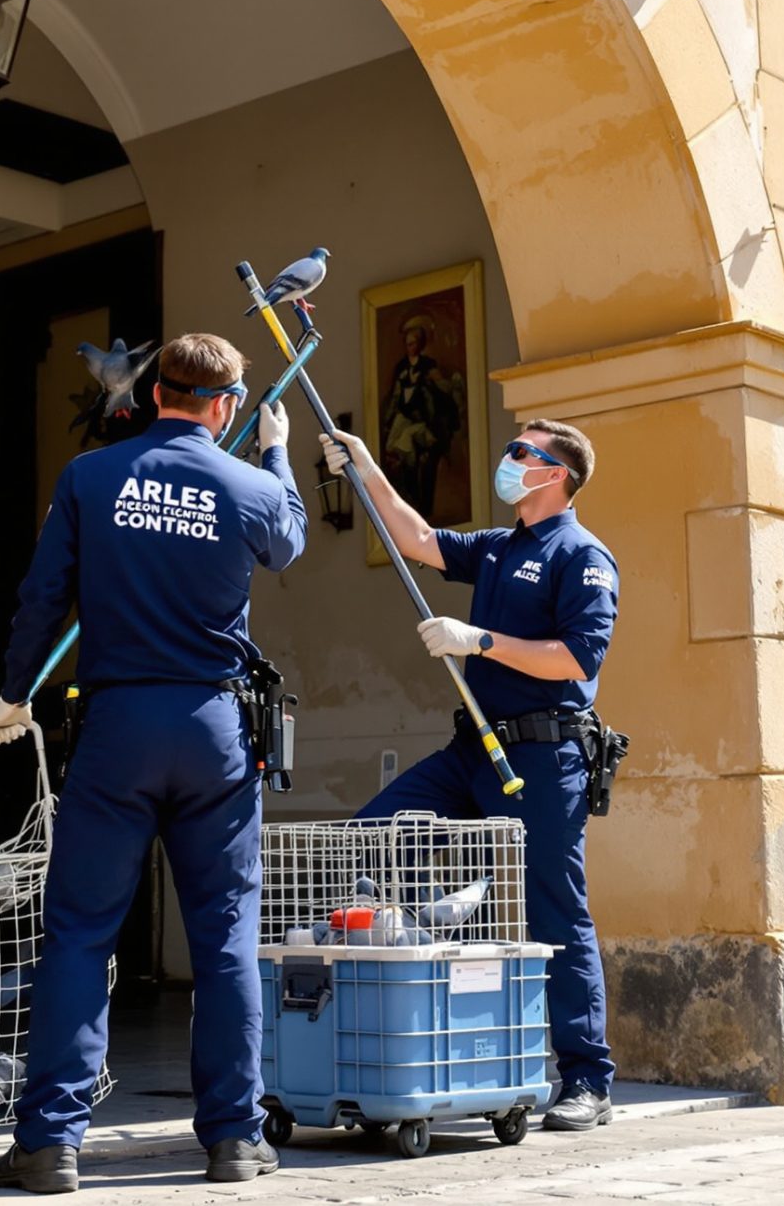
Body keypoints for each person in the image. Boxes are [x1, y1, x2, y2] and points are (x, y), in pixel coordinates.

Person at [0, 333, 306, 1195]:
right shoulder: (247, 482)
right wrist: (277, 452)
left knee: (80, 932)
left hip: (117, 721)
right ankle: (234, 1137)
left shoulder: (90, 476)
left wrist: (14, 693)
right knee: (226, 938)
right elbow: (291, 542)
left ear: (155, 390)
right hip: (213, 726)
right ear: (226, 406)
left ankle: (50, 1143)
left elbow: (43, 596)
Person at [321, 417, 621, 1131]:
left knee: (555, 907)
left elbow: (578, 657)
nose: (510, 458)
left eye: (525, 452)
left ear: (558, 474)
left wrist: (478, 639)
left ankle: (587, 1078)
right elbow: (418, 539)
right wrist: (364, 464)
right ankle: (443, 943)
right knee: (377, 834)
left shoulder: (581, 554)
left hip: (544, 756)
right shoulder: (499, 546)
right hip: (475, 748)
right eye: (512, 447)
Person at [379, 312, 462, 514]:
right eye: (408, 343)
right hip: (404, 420)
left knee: (422, 459)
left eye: (414, 343)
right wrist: (388, 421)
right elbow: (396, 396)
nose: (411, 347)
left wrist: (451, 384)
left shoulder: (428, 366)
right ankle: (409, 501)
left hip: (424, 421)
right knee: (401, 458)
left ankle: (422, 505)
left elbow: (441, 387)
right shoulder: (402, 368)